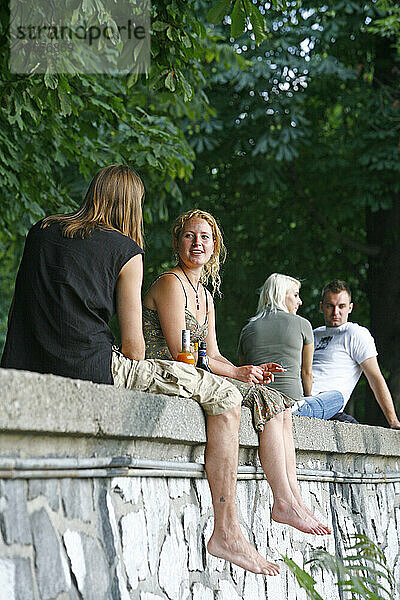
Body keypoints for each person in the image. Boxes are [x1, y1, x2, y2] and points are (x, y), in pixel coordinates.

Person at [1, 165, 279, 576]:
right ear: (133, 204)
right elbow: (133, 349)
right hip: (94, 368)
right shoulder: (126, 249)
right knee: (225, 396)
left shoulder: (42, 230)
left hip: (28, 365)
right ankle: (226, 531)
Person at [143, 209, 331, 543]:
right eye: (190, 235)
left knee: (279, 402)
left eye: (205, 237)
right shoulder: (171, 284)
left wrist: (244, 372)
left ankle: (292, 498)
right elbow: (180, 353)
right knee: (265, 399)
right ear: (177, 242)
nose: (197, 243)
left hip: (196, 371)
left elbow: (212, 355)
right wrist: (234, 376)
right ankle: (285, 502)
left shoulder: (205, 295)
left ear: (214, 246)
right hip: (170, 373)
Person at [237, 273, 344, 419]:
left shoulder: (247, 329)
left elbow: (244, 374)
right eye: (295, 295)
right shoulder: (302, 324)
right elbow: (306, 373)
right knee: (337, 397)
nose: (299, 301)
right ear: (281, 295)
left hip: (259, 405)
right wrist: (307, 398)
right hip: (292, 407)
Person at [312, 279, 400, 428]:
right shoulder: (313, 335)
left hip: (329, 407)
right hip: (301, 399)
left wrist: (393, 421)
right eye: (330, 306)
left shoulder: (355, 334)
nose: (336, 312)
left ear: (350, 308)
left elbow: (375, 378)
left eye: (341, 306)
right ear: (321, 307)